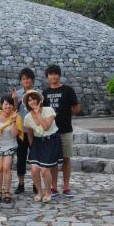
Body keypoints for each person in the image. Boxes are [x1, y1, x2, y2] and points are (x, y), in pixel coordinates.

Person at [42, 64, 80, 197]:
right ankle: (53, 187)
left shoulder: (68, 90)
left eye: (55, 73)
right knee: (52, 161)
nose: (53, 76)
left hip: (65, 129)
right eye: (50, 74)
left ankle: (66, 186)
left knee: (66, 159)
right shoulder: (44, 93)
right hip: (51, 132)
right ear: (47, 77)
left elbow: (76, 107)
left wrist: (67, 116)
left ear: (59, 75)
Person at [23, 90, 63, 203]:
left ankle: (48, 192)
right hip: (37, 143)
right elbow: (30, 134)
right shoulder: (27, 117)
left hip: (51, 141)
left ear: (39, 99)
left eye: (34, 98)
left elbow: (45, 127)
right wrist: (32, 148)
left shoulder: (48, 110)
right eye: (29, 100)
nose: (32, 101)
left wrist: (37, 113)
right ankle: (39, 192)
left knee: (45, 169)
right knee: (34, 169)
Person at [0, 96, 23, 204]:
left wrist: (14, 121)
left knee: (6, 168)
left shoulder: (16, 116)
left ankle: (7, 192)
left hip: (10, 145)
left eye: (10, 104)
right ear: (1, 105)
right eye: (5, 104)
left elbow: (14, 134)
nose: (8, 106)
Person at [13, 67, 36, 195]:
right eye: (23, 79)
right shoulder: (18, 93)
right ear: (21, 81)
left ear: (32, 79)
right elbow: (14, 111)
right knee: (21, 157)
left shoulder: (38, 94)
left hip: (35, 131)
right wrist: (15, 101)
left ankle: (35, 183)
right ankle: (21, 184)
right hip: (21, 131)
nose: (26, 80)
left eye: (27, 78)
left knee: (35, 158)